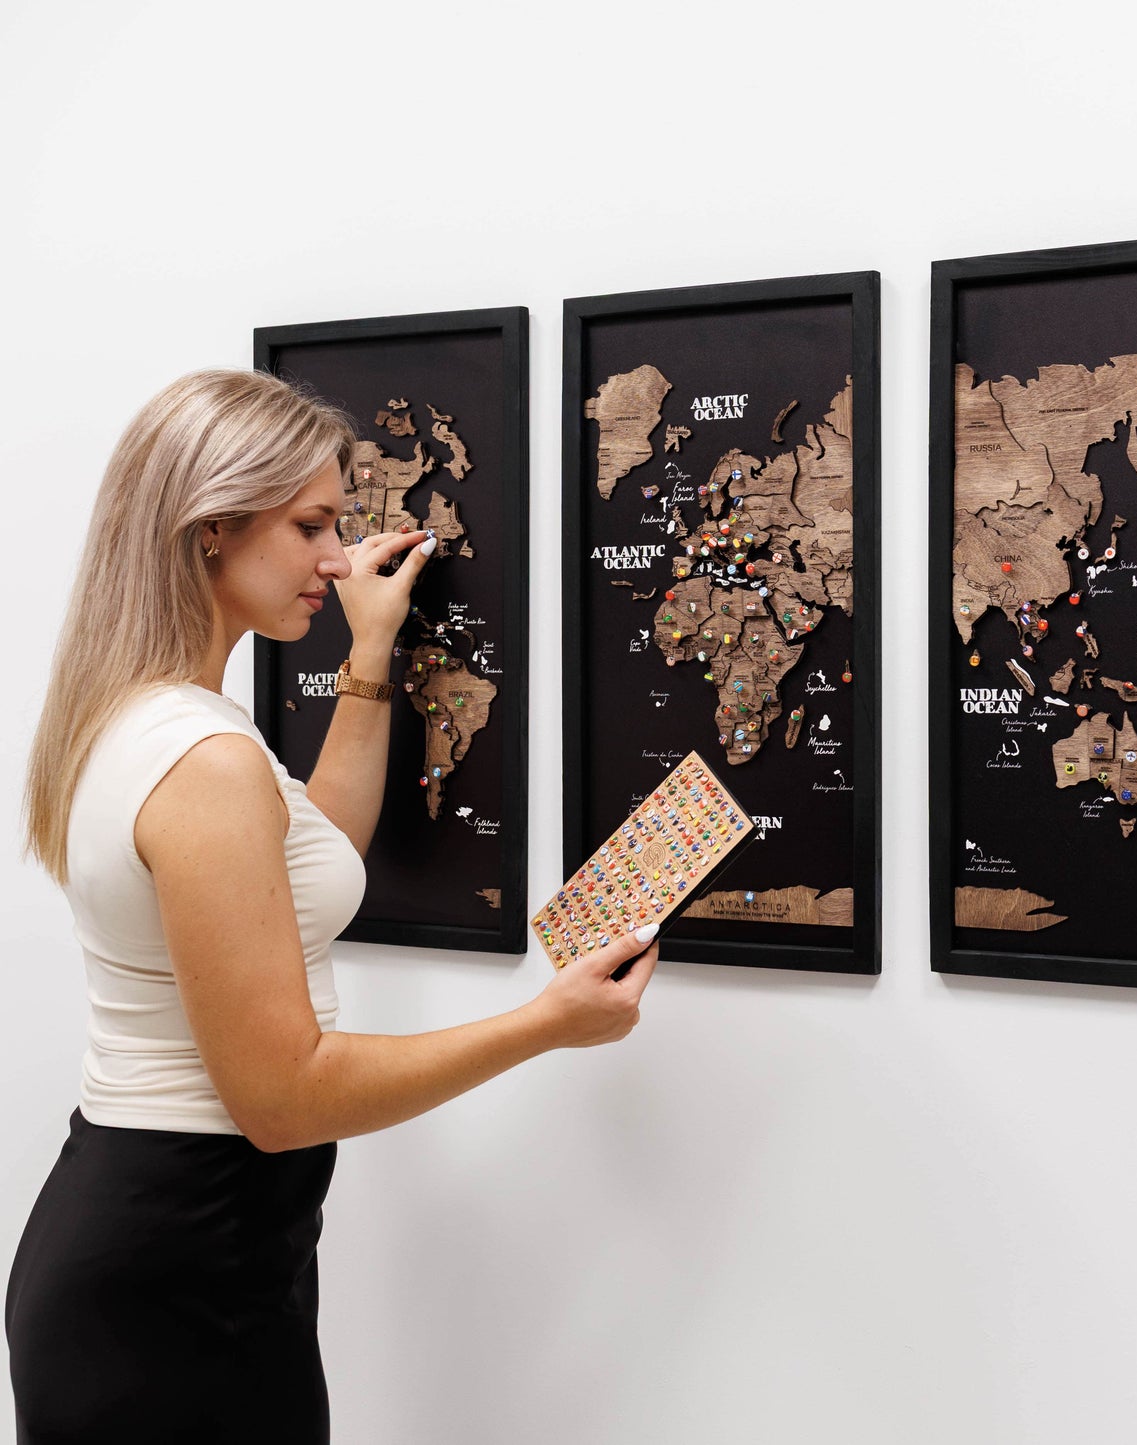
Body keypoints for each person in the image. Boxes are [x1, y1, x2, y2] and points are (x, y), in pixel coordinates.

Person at [6, 369, 658, 1443]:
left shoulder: (148, 717)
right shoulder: (201, 758)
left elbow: (312, 853)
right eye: (312, 524)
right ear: (210, 527)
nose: (335, 556)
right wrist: (546, 1023)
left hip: (173, 1247)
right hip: (182, 1274)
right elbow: (284, 1095)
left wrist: (367, 649)